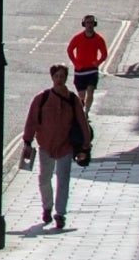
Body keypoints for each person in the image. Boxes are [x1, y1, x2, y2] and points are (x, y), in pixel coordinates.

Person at [22, 64, 89, 231]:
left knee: (63, 180)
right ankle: (47, 207)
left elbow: (82, 123)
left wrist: (85, 147)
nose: (59, 79)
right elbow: (31, 120)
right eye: (57, 76)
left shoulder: (73, 100)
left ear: (66, 78)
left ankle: (60, 214)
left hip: (66, 146)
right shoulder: (41, 98)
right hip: (46, 145)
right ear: (52, 78)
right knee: (44, 178)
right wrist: (27, 140)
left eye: (62, 76)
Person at [67, 16, 109, 115]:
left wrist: (98, 62)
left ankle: (86, 112)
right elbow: (69, 50)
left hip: (92, 70)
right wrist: (76, 63)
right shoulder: (77, 38)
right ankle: (81, 111)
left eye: (91, 23)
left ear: (94, 24)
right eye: (87, 23)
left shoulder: (99, 39)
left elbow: (104, 54)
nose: (89, 25)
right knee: (81, 95)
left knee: (90, 90)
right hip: (80, 70)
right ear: (84, 24)